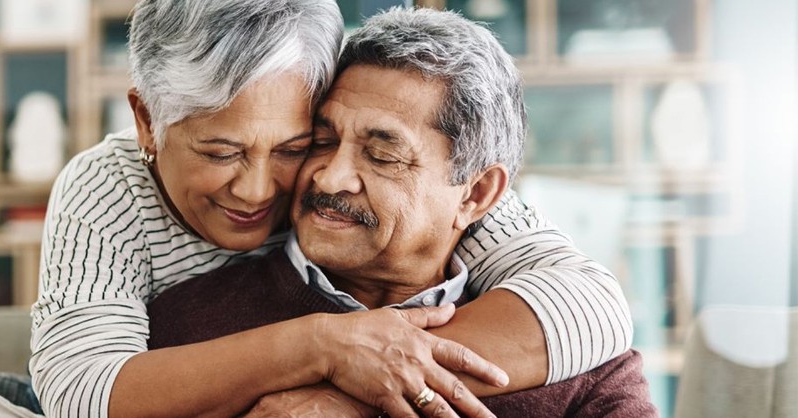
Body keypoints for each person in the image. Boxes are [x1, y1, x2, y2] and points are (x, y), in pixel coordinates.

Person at [33, 1, 633, 417]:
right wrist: (323, 347)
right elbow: (83, 390)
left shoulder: (458, 208)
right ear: (146, 122)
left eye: (296, 146)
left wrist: (358, 384)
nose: (258, 190)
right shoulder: (111, 197)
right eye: (221, 151)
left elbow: (593, 303)